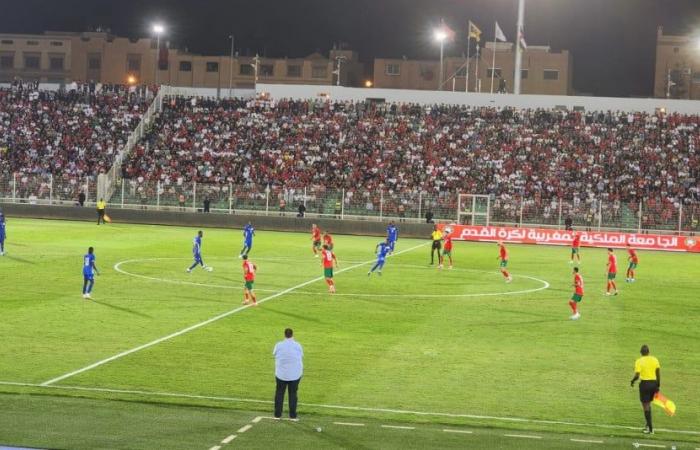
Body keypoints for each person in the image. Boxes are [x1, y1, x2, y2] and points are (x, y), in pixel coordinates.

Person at [273, 328, 304, 420]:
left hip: (281, 374)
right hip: (295, 375)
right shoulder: (297, 345)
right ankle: (293, 416)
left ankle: (277, 415)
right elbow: (301, 355)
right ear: (292, 335)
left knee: (279, 393)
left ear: (284, 335)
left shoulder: (278, 345)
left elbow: (274, 354)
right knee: (293, 394)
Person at [630, 345, 661, 435]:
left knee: (645, 406)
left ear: (641, 353)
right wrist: (658, 385)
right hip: (654, 384)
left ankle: (650, 429)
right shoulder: (655, 359)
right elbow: (658, 372)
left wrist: (632, 381)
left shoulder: (639, 361)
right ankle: (647, 425)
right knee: (648, 404)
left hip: (645, 385)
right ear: (649, 352)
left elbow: (637, 375)